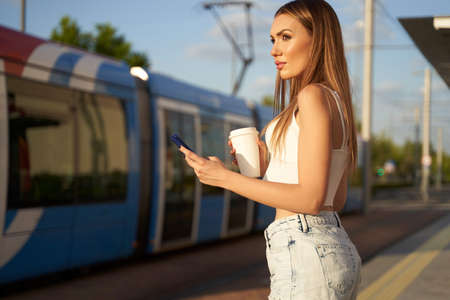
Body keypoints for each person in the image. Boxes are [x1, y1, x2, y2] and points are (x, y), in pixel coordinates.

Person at [178, 0, 362, 298]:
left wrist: (224, 178)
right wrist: (268, 165)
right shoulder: (336, 102)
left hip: (306, 253)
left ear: (317, 41)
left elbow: (311, 198)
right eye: (273, 39)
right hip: (332, 246)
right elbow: (334, 198)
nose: (274, 50)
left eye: (286, 37)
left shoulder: (312, 96)